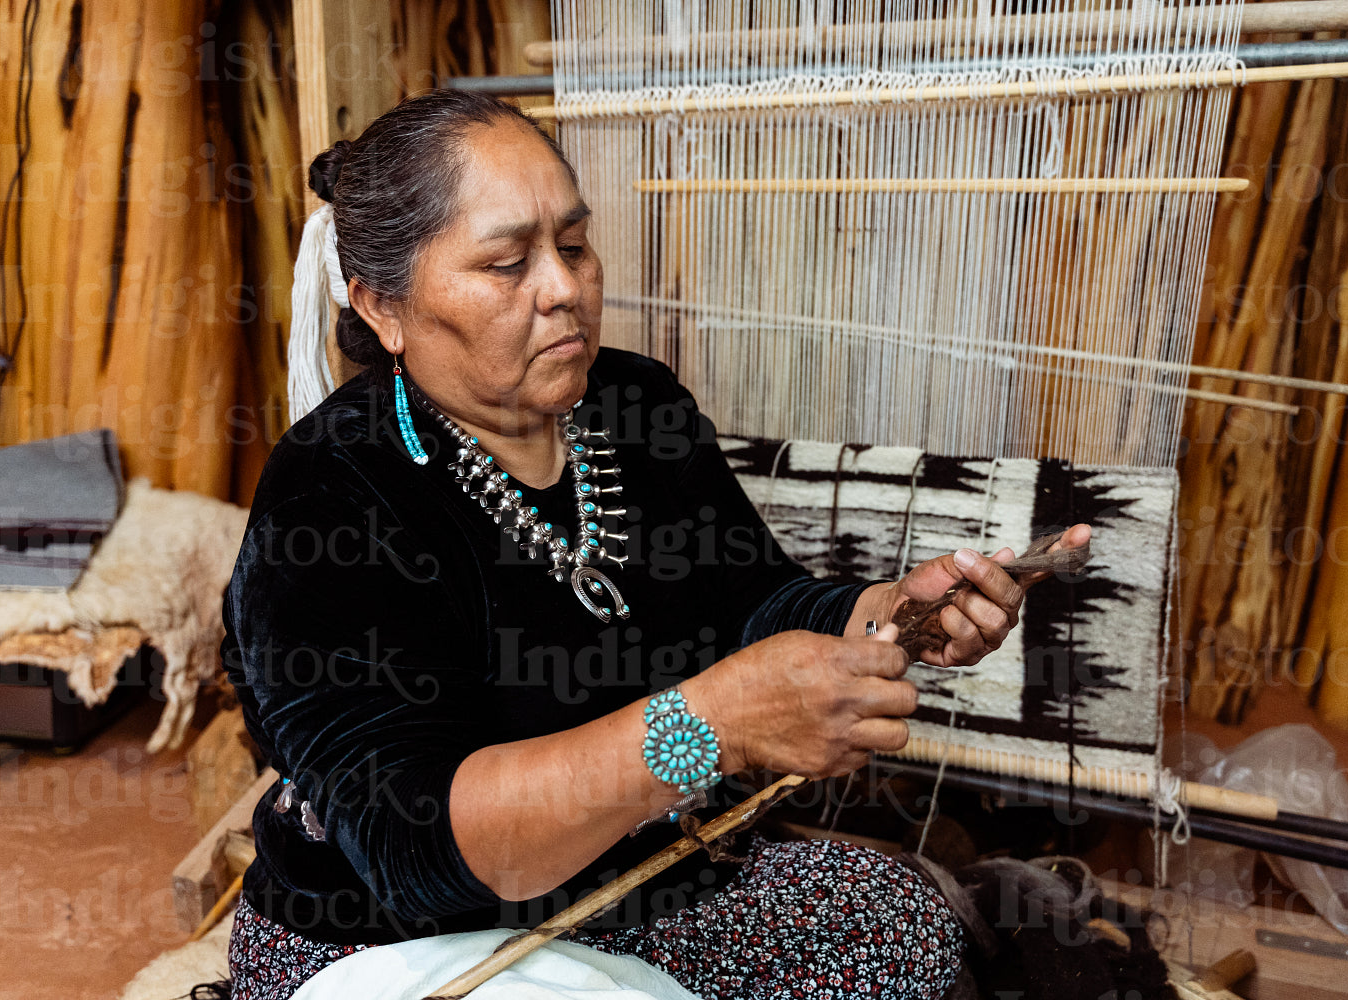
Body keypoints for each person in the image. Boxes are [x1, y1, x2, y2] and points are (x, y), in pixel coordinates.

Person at [220, 89, 1091, 1000]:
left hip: (636, 877)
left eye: (572, 245)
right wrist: (708, 726)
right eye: (507, 262)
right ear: (383, 306)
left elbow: (752, 601)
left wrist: (889, 615)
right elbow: (421, 851)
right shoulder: (330, 497)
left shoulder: (635, 406)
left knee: (905, 934)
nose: (563, 288)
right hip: (408, 940)